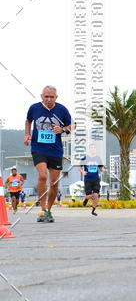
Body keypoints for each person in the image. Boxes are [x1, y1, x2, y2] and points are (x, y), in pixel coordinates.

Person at [24, 86, 73, 223]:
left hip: (55, 150)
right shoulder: (34, 108)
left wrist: (62, 129)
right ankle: (43, 209)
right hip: (38, 148)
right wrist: (27, 134)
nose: (49, 99)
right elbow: (28, 120)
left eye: (52, 97)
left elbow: (72, 126)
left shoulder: (62, 110)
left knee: (54, 184)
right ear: (41, 97)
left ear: (56, 97)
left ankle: (49, 211)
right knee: (42, 175)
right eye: (46, 96)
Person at [79, 149, 105, 216]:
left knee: (96, 195)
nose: (93, 150)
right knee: (88, 196)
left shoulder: (98, 158)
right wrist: (82, 171)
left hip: (96, 179)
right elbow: (79, 166)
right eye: (91, 148)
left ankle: (93, 211)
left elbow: (101, 167)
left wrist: (103, 170)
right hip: (88, 180)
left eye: (94, 148)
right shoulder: (85, 158)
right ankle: (86, 199)